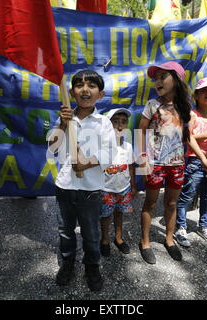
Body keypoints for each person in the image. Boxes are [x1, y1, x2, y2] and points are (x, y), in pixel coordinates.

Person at [137, 61, 207, 265]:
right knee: (150, 203)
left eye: (163, 77)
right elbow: (140, 132)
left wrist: (204, 158)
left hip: (178, 165)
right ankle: (144, 242)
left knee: (171, 203)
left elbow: (188, 138)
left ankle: (170, 240)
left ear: (177, 80)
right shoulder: (152, 105)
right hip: (155, 165)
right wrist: (143, 162)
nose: (158, 81)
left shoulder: (185, 108)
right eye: (156, 78)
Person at [48, 70, 117, 292]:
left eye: (91, 86)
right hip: (65, 186)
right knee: (65, 231)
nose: (85, 90)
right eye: (79, 85)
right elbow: (52, 148)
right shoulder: (64, 119)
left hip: (90, 189)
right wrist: (61, 124)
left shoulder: (104, 123)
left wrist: (86, 163)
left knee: (91, 233)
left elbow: (109, 153)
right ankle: (67, 263)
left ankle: (92, 266)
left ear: (100, 94)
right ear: (71, 93)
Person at [175, 77, 207, 248]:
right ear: (196, 95)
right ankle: (180, 227)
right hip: (196, 161)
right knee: (187, 195)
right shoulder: (192, 115)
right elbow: (187, 138)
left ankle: (204, 226)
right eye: (204, 90)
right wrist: (204, 152)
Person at [99, 108, 137, 257]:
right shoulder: (102, 147)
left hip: (124, 188)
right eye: (115, 122)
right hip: (106, 189)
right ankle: (105, 239)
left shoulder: (127, 147)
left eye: (123, 122)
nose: (120, 126)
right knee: (106, 215)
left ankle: (119, 238)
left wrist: (133, 186)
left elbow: (131, 168)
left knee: (120, 214)